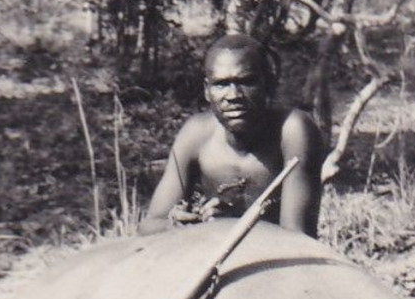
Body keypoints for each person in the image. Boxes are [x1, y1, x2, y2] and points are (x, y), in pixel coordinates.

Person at [139, 35, 325, 238]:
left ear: (269, 84)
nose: (234, 95)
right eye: (221, 84)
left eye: (246, 82)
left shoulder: (293, 130)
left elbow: (298, 239)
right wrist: (176, 224)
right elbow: (149, 225)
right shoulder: (197, 134)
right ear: (207, 91)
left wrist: (232, 223)